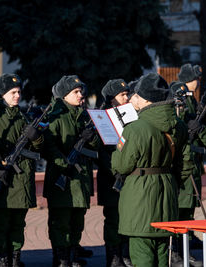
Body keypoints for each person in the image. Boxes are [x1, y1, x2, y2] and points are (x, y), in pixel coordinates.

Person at [112, 73, 187, 267]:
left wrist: (115, 153)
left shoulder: (135, 129)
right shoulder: (178, 125)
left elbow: (121, 165)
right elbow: (182, 163)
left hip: (140, 196)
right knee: (163, 252)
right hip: (167, 192)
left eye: (135, 95)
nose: (130, 98)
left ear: (146, 99)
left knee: (142, 251)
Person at [0, 74, 43, 267]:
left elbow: (37, 149)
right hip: (3, 179)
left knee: (18, 223)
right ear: (2, 94)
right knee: (0, 223)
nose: (17, 96)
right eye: (13, 92)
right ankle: (0, 257)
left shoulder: (24, 116)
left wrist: (36, 137)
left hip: (22, 180)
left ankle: (15, 256)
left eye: (19, 92)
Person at [43, 75, 99, 267]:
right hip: (62, 177)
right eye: (75, 92)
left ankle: (73, 255)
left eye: (80, 91)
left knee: (77, 222)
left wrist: (91, 138)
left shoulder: (83, 115)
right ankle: (61, 259)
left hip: (80, 178)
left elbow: (96, 146)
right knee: (60, 223)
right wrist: (63, 163)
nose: (80, 94)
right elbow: (48, 145)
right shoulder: (55, 116)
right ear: (64, 95)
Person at [177, 64, 206, 251]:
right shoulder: (180, 97)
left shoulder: (192, 99)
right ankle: (182, 238)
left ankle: (188, 234)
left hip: (194, 158)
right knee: (184, 200)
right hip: (185, 158)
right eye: (195, 79)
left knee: (191, 201)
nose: (198, 83)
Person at [97, 79, 129, 267]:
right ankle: (114, 256)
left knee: (127, 217)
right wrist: (115, 171)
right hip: (111, 178)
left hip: (128, 175)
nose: (126, 98)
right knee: (113, 218)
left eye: (127, 94)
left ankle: (125, 253)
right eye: (122, 95)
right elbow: (102, 151)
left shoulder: (130, 116)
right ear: (112, 99)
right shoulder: (103, 118)